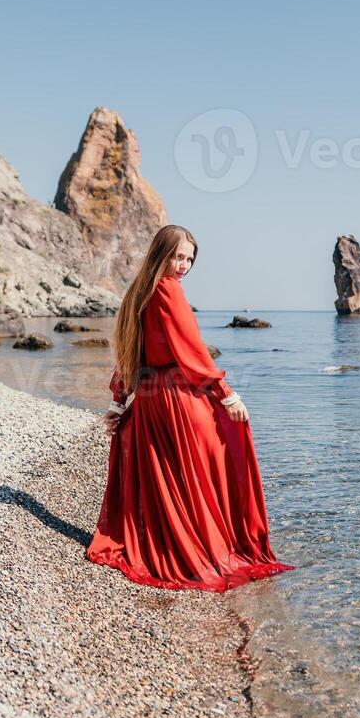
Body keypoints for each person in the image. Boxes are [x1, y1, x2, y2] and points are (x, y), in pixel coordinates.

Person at [85, 225, 294, 592]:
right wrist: (226, 393)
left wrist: (120, 401)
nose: (183, 265)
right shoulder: (167, 289)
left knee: (177, 478)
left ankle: (179, 543)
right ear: (160, 254)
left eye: (189, 259)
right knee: (210, 466)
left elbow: (130, 354)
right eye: (177, 256)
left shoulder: (139, 292)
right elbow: (192, 348)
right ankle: (203, 551)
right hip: (177, 399)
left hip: (150, 400)